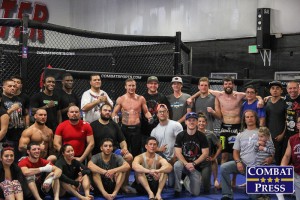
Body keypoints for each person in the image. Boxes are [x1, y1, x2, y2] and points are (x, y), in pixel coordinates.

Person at [220, 110, 272, 200]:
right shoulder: (240, 134)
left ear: (256, 118)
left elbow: (271, 150)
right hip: (243, 164)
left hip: (257, 168)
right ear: (244, 120)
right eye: (247, 117)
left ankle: (260, 191)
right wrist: (238, 162)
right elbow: (235, 152)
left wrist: (270, 158)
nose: (249, 119)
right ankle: (227, 195)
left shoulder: (264, 132)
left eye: (251, 116)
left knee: (254, 197)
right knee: (224, 167)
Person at [90, 103, 135, 193]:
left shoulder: (114, 125)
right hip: (98, 154)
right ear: (100, 111)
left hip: (114, 152)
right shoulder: (93, 125)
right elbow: (90, 143)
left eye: (109, 111)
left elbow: (122, 140)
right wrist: (90, 157)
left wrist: (125, 149)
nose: (107, 112)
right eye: (105, 110)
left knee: (129, 157)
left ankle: (123, 185)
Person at [112, 78, 152, 157]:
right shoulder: (121, 99)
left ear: (135, 86)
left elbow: (146, 112)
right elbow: (114, 112)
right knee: (124, 150)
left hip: (136, 128)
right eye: (129, 85)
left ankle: (135, 167)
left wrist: (150, 117)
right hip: (124, 128)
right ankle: (124, 167)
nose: (131, 87)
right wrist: (115, 118)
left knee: (136, 151)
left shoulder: (141, 98)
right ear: (125, 87)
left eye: (133, 85)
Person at [173, 112, 209, 197]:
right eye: (189, 120)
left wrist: (193, 163)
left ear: (197, 122)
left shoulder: (202, 136)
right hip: (183, 164)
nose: (191, 122)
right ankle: (177, 189)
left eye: (194, 120)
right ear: (185, 122)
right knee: (177, 165)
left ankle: (186, 180)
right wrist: (186, 163)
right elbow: (177, 152)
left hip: (195, 167)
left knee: (195, 193)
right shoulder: (180, 135)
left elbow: (205, 153)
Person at [150, 103, 183, 187]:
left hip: (176, 159)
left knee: (172, 184)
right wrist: (158, 149)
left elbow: (182, 143)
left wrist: (175, 157)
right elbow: (151, 148)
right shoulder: (154, 131)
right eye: (160, 112)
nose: (162, 113)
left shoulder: (176, 125)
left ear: (167, 113)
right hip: (163, 161)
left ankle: (183, 177)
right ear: (157, 114)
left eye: (164, 111)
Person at [141, 76, 172, 149]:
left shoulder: (162, 97)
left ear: (158, 85)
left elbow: (169, 112)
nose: (153, 85)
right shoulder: (142, 97)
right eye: (151, 83)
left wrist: (167, 126)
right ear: (147, 85)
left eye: (155, 83)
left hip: (159, 129)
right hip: (145, 130)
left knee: (160, 150)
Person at [1, 79, 27, 161]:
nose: (13, 88)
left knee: (20, 159)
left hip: (20, 133)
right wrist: (12, 109)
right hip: (7, 135)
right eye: (10, 86)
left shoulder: (20, 99)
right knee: (8, 159)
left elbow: (24, 115)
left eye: (14, 86)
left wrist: (26, 127)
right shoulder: (1, 100)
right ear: (3, 87)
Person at [277, 115, 300, 200]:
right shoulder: (292, 139)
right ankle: (280, 196)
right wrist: (283, 169)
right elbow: (286, 156)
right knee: (276, 174)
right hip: (296, 173)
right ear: (297, 125)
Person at [198, 112, 222, 190]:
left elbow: (220, 147)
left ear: (206, 123)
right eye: (199, 121)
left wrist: (214, 157)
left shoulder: (211, 134)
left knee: (214, 160)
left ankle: (215, 179)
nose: (201, 123)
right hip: (197, 159)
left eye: (203, 121)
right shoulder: (193, 133)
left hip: (208, 159)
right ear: (196, 122)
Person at [265, 80, 286, 165]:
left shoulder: (285, 102)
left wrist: (283, 134)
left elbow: (287, 120)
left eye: (277, 88)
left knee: (278, 160)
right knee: (266, 160)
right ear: (270, 91)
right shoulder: (266, 101)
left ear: (281, 91)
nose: (275, 90)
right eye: (273, 88)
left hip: (279, 136)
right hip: (268, 136)